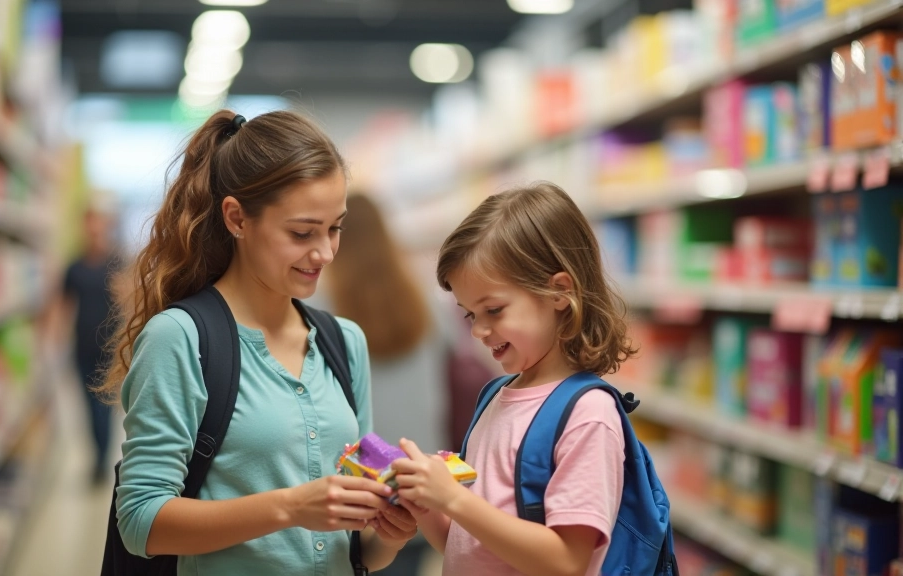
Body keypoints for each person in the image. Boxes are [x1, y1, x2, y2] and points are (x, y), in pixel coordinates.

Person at [97, 109, 416, 575]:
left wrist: (390, 532)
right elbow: (141, 521)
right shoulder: (181, 338)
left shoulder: (344, 342)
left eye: (335, 228)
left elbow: (355, 546)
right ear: (237, 218)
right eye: (302, 232)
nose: (325, 252)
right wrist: (290, 507)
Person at [392, 182, 636, 576]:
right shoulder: (494, 396)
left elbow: (567, 562)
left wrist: (454, 499)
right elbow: (469, 546)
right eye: (470, 314)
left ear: (559, 292)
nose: (478, 331)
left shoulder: (587, 414)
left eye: (493, 310)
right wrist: (426, 506)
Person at [321, 193, 448, 576]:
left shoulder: (320, 309)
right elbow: (460, 353)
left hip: (360, 482)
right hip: (422, 473)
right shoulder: (425, 299)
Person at [59, 197, 121, 484]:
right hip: (82, 348)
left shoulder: (117, 263)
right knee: (87, 406)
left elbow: (130, 302)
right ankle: (96, 456)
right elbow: (64, 305)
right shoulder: (74, 267)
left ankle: (101, 461)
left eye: (99, 221)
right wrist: (55, 339)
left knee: (104, 408)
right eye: (90, 221)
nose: (95, 227)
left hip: (109, 349)